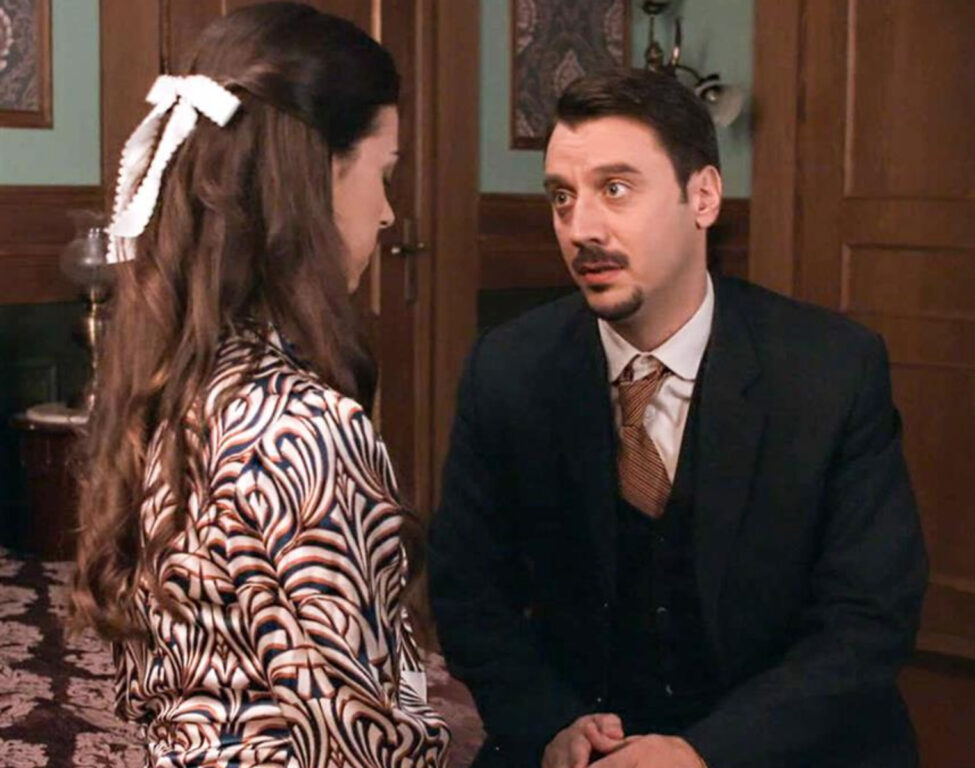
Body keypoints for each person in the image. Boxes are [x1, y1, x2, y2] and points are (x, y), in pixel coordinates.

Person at [429, 68, 927, 768]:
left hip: (776, 744)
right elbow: (469, 593)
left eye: (615, 189)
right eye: (562, 197)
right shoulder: (508, 369)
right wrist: (551, 726)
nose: (580, 228)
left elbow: (868, 619)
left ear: (704, 196)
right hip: (579, 742)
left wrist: (704, 753)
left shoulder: (831, 369)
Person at [70, 4, 450, 766]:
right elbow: (363, 744)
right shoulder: (305, 429)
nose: (387, 214)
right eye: (383, 175)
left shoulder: (171, 391)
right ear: (312, 180)